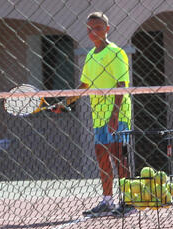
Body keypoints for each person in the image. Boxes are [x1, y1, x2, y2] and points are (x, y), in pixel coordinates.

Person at [54, 11, 133, 218]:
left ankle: (129, 201)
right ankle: (107, 201)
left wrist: (115, 115)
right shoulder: (90, 55)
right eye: (90, 28)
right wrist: (64, 103)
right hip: (98, 115)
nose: (93, 31)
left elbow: (121, 84)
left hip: (118, 113)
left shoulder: (116, 53)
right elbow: (84, 85)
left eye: (98, 27)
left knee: (118, 155)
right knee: (101, 155)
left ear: (107, 29)